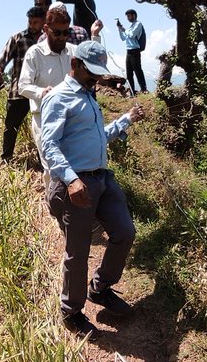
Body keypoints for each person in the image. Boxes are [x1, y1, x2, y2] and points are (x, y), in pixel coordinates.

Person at [39, 38, 145, 337]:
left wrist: (126, 120)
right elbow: (48, 144)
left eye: (99, 73)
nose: (96, 78)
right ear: (75, 64)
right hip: (76, 184)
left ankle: (99, 288)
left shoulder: (88, 95)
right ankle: (71, 311)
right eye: (91, 72)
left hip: (102, 178)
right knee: (79, 250)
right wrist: (71, 179)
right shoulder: (59, 97)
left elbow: (97, 136)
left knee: (125, 232)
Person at [20, 7, 79, 182]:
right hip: (43, 118)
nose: (62, 37)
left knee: (73, 165)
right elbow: (22, 86)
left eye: (65, 32)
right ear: (46, 29)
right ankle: (53, 207)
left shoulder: (73, 52)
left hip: (71, 117)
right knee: (51, 167)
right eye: (57, 32)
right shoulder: (35, 54)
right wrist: (42, 92)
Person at [0, 6, 45, 163]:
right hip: (19, 91)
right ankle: (6, 158)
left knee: (44, 128)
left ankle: (45, 162)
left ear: (43, 22)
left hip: (42, 91)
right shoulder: (18, 38)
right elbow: (2, 59)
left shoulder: (48, 40)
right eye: (30, 22)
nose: (32, 25)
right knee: (11, 126)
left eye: (36, 22)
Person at [117, 9, 147, 93]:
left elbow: (132, 35)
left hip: (135, 51)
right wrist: (119, 29)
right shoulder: (130, 27)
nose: (128, 18)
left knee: (138, 71)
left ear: (134, 15)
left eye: (129, 16)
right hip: (129, 51)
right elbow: (123, 38)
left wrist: (123, 29)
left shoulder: (138, 24)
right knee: (129, 73)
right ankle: (132, 91)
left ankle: (144, 89)